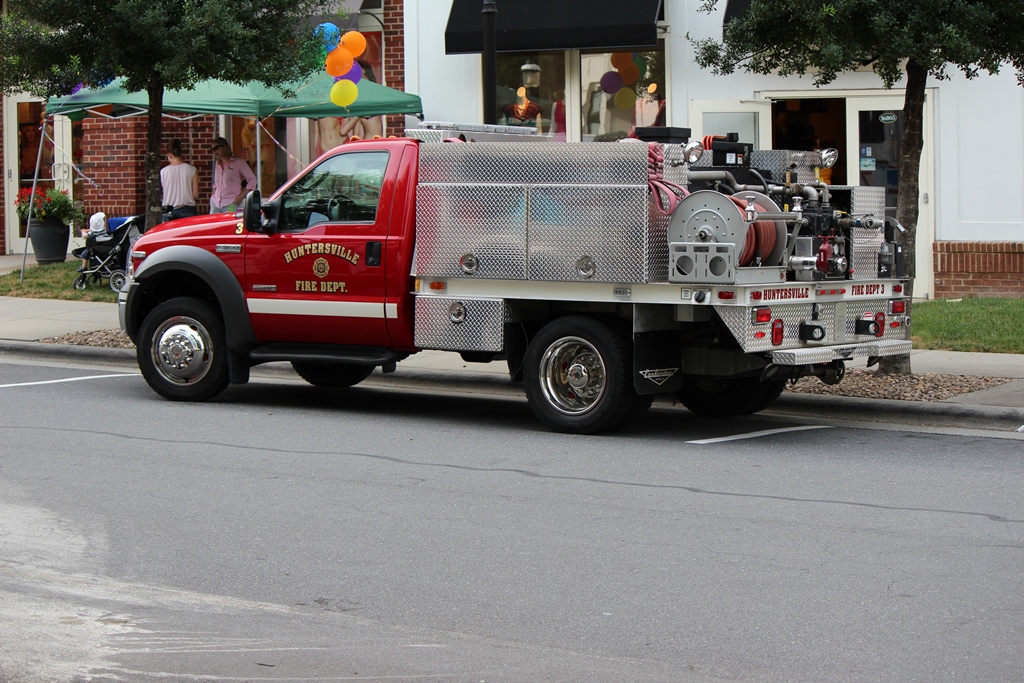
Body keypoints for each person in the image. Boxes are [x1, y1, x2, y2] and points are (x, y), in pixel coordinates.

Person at [209, 136, 256, 214]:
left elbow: (252, 180)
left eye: (216, 148)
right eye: (212, 150)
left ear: (224, 147)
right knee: (213, 222)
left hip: (231, 204)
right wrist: (214, 191)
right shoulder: (218, 163)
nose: (214, 152)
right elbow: (217, 181)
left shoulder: (238, 162)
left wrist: (240, 198)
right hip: (215, 203)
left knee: (230, 221)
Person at [160, 139, 199, 220]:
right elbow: (195, 195)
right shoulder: (192, 169)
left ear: (170, 155)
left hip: (168, 210)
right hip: (188, 209)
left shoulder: (163, 172)